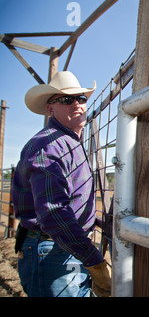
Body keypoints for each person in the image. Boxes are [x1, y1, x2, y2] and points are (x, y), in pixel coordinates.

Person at [12, 71, 111, 297]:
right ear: (50, 109)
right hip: (54, 248)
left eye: (81, 98)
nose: (76, 103)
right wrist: (94, 261)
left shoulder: (68, 142)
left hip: (66, 245)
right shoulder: (48, 146)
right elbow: (54, 214)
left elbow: (66, 204)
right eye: (67, 100)